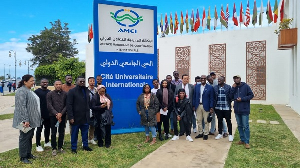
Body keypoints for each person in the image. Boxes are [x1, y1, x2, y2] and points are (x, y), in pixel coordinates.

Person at [12, 75, 41, 164]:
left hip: (31, 119)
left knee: (29, 137)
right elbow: (22, 107)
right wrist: (25, 120)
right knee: (24, 138)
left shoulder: (29, 90)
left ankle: (28, 153)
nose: (33, 82)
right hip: (25, 121)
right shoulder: (21, 91)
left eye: (33, 80)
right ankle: (23, 157)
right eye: (31, 81)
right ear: (25, 82)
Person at [67, 77, 93, 153]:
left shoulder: (86, 90)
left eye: (83, 81)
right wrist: (71, 117)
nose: (82, 82)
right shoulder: (72, 91)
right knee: (74, 134)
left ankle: (85, 146)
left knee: (85, 133)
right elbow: (69, 105)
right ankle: (74, 148)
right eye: (80, 81)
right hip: (75, 117)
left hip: (85, 117)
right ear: (76, 82)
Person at [230, 75, 254, 149]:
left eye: (237, 78)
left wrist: (242, 99)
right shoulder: (234, 87)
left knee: (245, 126)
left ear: (240, 79)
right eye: (235, 78)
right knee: (239, 125)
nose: (236, 80)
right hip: (237, 110)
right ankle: (242, 139)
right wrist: (233, 88)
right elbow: (230, 97)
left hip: (244, 109)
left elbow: (251, 95)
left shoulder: (246, 86)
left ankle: (247, 142)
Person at [47, 80, 67, 156]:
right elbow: (49, 105)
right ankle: (54, 148)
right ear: (54, 85)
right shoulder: (50, 94)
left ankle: (60, 147)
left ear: (62, 85)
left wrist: (61, 114)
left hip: (62, 116)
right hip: (53, 116)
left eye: (60, 84)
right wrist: (56, 114)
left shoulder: (65, 94)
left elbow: (67, 105)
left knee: (61, 132)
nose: (58, 85)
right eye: (57, 84)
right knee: (53, 132)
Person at [193, 75, 214, 140]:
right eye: (202, 78)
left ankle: (206, 134)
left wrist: (211, 107)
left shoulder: (210, 87)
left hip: (206, 106)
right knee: (199, 120)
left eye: (204, 78)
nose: (203, 79)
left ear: (206, 80)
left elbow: (212, 98)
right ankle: (200, 133)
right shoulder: (196, 87)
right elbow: (194, 96)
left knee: (206, 121)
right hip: (198, 106)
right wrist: (194, 105)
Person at [213, 76, 233, 142]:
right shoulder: (215, 87)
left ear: (224, 80)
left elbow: (231, 97)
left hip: (226, 107)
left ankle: (230, 134)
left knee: (228, 121)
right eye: (218, 80)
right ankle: (220, 133)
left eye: (220, 80)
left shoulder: (228, 87)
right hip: (218, 107)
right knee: (219, 121)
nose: (219, 81)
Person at [34, 78, 51, 152]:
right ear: (40, 83)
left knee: (47, 129)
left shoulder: (50, 92)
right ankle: (38, 144)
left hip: (48, 114)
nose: (45, 83)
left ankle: (47, 142)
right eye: (43, 82)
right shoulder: (36, 92)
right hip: (39, 115)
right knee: (39, 130)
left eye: (46, 82)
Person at [87, 77, 97, 145]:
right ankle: (85, 140)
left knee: (93, 125)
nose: (92, 82)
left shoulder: (97, 90)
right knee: (86, 125)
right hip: (87, 109)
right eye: (91, 81)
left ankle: (91, 138)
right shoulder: (85, 90)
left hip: (94, 109)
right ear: (88, 82)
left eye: (93, 81)